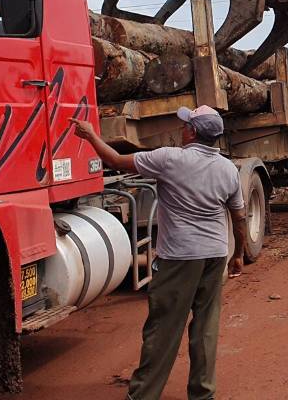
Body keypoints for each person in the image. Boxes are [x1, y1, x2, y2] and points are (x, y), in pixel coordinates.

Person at [70, 105, 247, 400]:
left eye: (185, 124)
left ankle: (144, 395)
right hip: (215, 254)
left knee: (164, 327)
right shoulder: (228, 168)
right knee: (206, 326)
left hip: (179, 256)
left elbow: (115, 160)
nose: (182, 128)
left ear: (192, 132)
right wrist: (238, 253)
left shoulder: (169, 159)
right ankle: (203, 394)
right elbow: (239, 217)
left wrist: (89, 135)